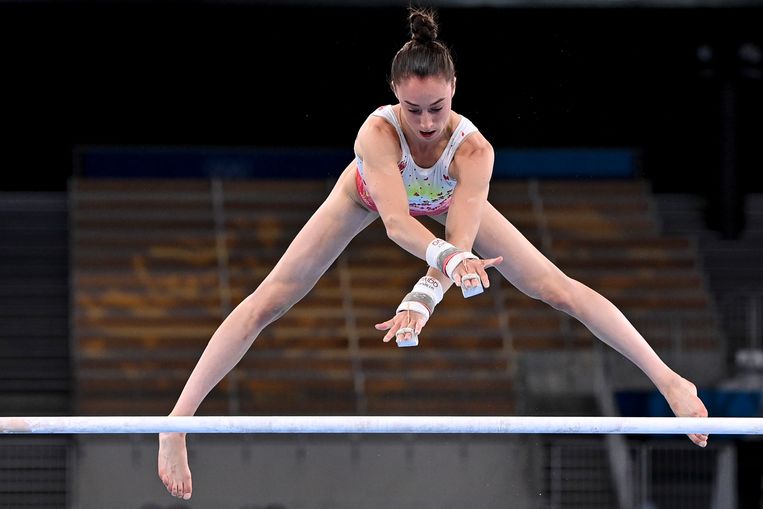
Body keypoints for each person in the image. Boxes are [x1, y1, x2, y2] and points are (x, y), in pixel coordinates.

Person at [157, 8, 708, 500]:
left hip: (446, 204)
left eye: (437, 108)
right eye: (413, 108)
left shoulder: (474, 151)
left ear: (455, 91)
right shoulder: (378, 135)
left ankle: (671, 381)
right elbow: (397, 223)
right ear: (395, 93)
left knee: (556, 288)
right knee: (268, 301)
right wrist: (444, 265)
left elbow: (459, 246)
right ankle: (177, 423)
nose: (424, 123)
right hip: (366, 196)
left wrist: (422, 300)